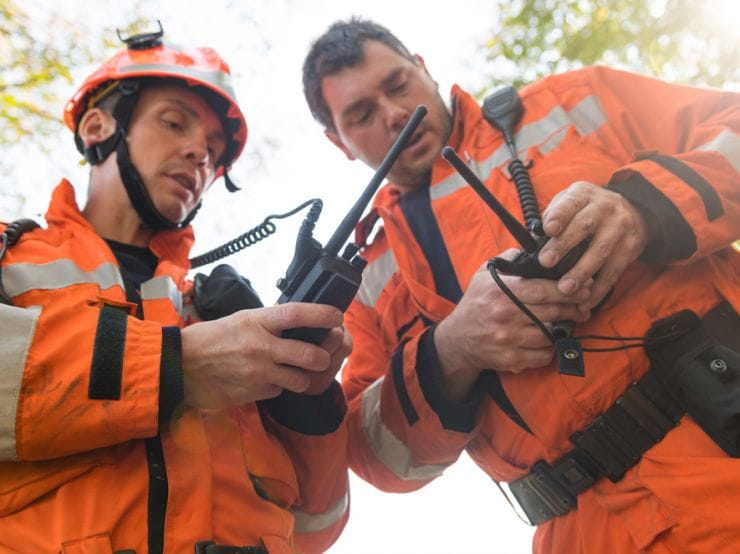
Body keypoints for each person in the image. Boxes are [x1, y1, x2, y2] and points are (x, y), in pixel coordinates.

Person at [302, 17, 740, 553]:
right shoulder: (365, 278)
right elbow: (376, 453)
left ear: (424, 68)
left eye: (398, 86)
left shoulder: (573, 101)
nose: (395, 115)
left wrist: (645, 206)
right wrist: (454, 350)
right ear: (338, 142)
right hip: (586, 535)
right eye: (362, 115)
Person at [0, 27, 351, 554]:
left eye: (213, 150)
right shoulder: (9, 256)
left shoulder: (222, 319)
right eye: (173, 122)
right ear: (99, 127)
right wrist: (175, 366)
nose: (199, 154)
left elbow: (319, 524)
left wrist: (309, 406)